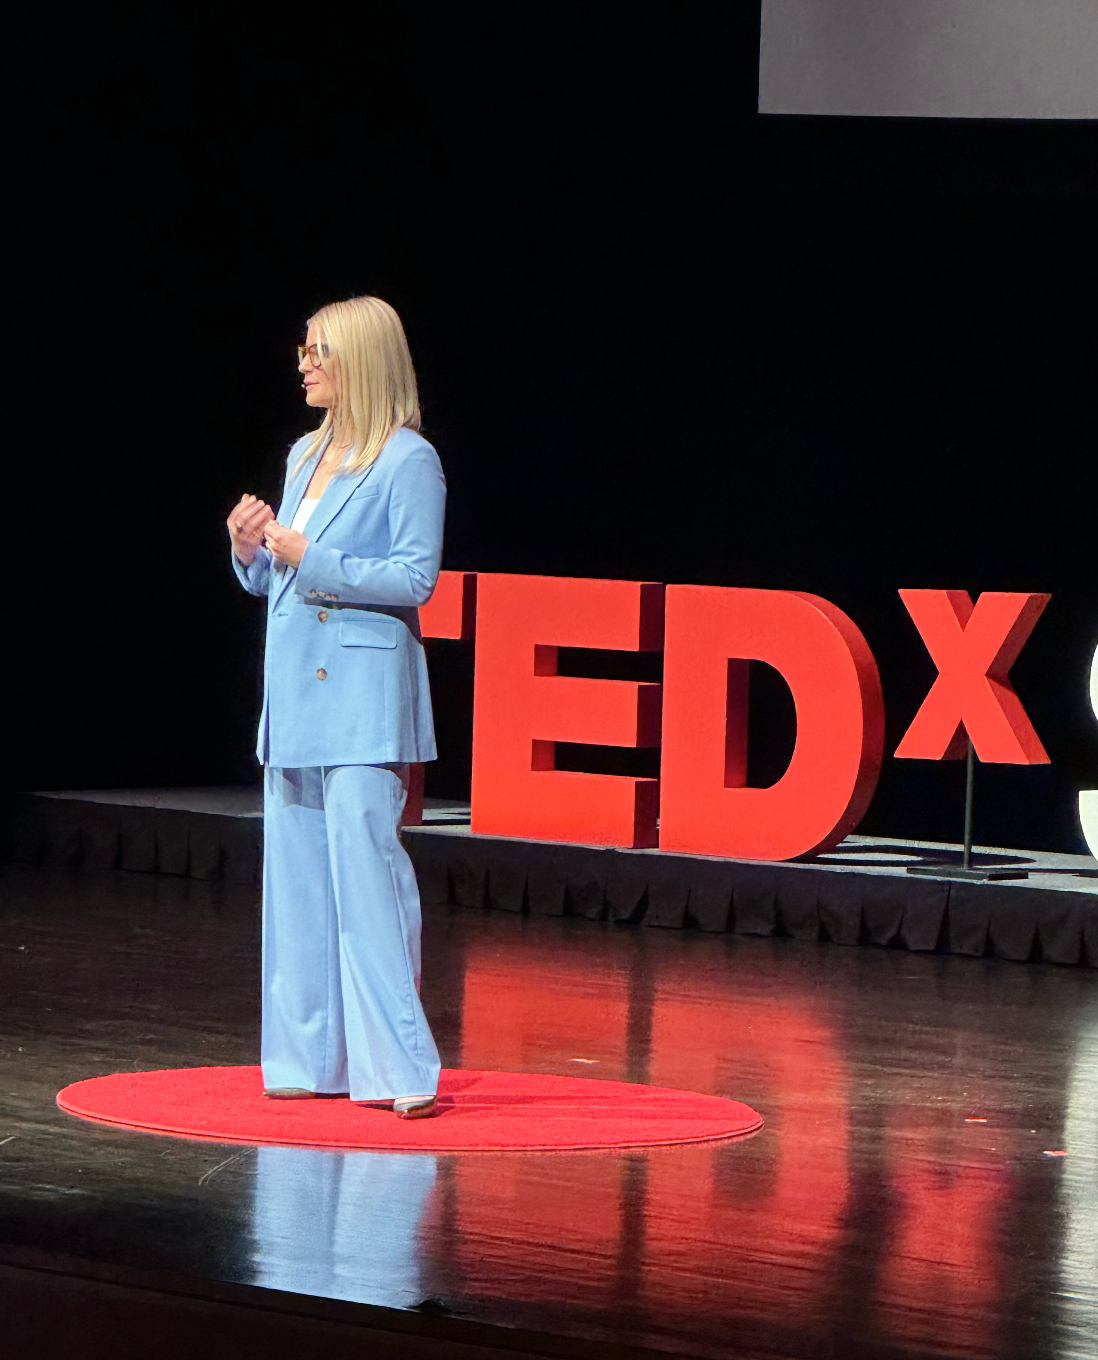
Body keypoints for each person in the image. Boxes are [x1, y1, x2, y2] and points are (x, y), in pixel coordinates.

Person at [227, 295, 444, 1119]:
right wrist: (250, 551)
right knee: (297, 882)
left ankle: (398, 1068)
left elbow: (414, 579)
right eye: (303, 349)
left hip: (361, 700)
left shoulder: (407, 460)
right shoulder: (304, 453)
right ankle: (306, 1055)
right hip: (295, 701)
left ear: (359, 359)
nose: (303, 363)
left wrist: (309, 555)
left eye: (318, 350)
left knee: (366, 876)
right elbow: (277, 581)